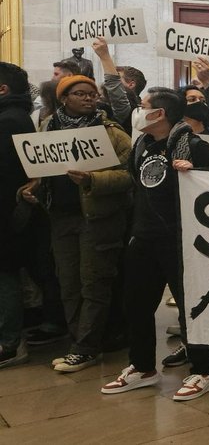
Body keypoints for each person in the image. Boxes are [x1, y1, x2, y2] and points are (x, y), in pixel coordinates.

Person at [101, 88, 209, 401]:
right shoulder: (142, 143)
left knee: (190, 307)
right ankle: (142, 367)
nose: (138, 112)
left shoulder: (194, 146)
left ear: (160, 114)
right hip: (144, 236)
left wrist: (196, 175)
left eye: (143, 107)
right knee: (137, 304)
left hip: (181, 239)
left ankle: (202, 371)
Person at [17, 66, 132, 373]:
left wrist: (93, 179)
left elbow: (130, 175)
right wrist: (35, 190)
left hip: (98, 219)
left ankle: (86, 347)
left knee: (94, 283)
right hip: (61, 218)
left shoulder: (111, 133)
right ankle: (78, 340)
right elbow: (44, 174)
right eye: (81, 94)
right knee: (68, 283)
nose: (89, 99)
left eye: (93, 94)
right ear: (63, 98)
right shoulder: (48, 130)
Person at [0, 62, 35, 369]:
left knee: (5, 275)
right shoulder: (14, 116)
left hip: (6, 212)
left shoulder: (10, 120)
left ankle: (9, 342)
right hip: (10, 209)